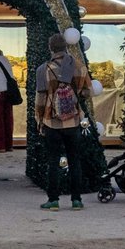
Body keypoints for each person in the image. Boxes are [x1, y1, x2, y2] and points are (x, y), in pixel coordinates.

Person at [35, 33, 93, 211]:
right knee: (74, 160)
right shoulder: (79, 66)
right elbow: (88, 92)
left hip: (52, 122)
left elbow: (40, 98)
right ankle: (76, 200)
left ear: (50, 48)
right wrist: (74, 95)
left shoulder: (43, 69)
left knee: (53, 161)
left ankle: (53, 200)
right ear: (66, 46)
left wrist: (39, 120)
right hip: (74, 121)